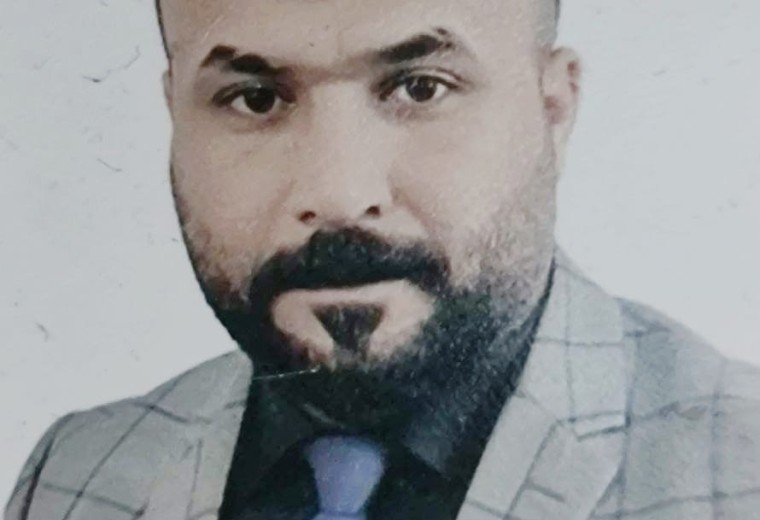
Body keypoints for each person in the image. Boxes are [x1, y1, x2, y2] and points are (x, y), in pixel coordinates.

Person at [6, 0, 760, 519]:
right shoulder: (75, 476)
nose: (337, 194)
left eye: (420, 87)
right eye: (256, 98)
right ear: (175, 114)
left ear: (553, 111)